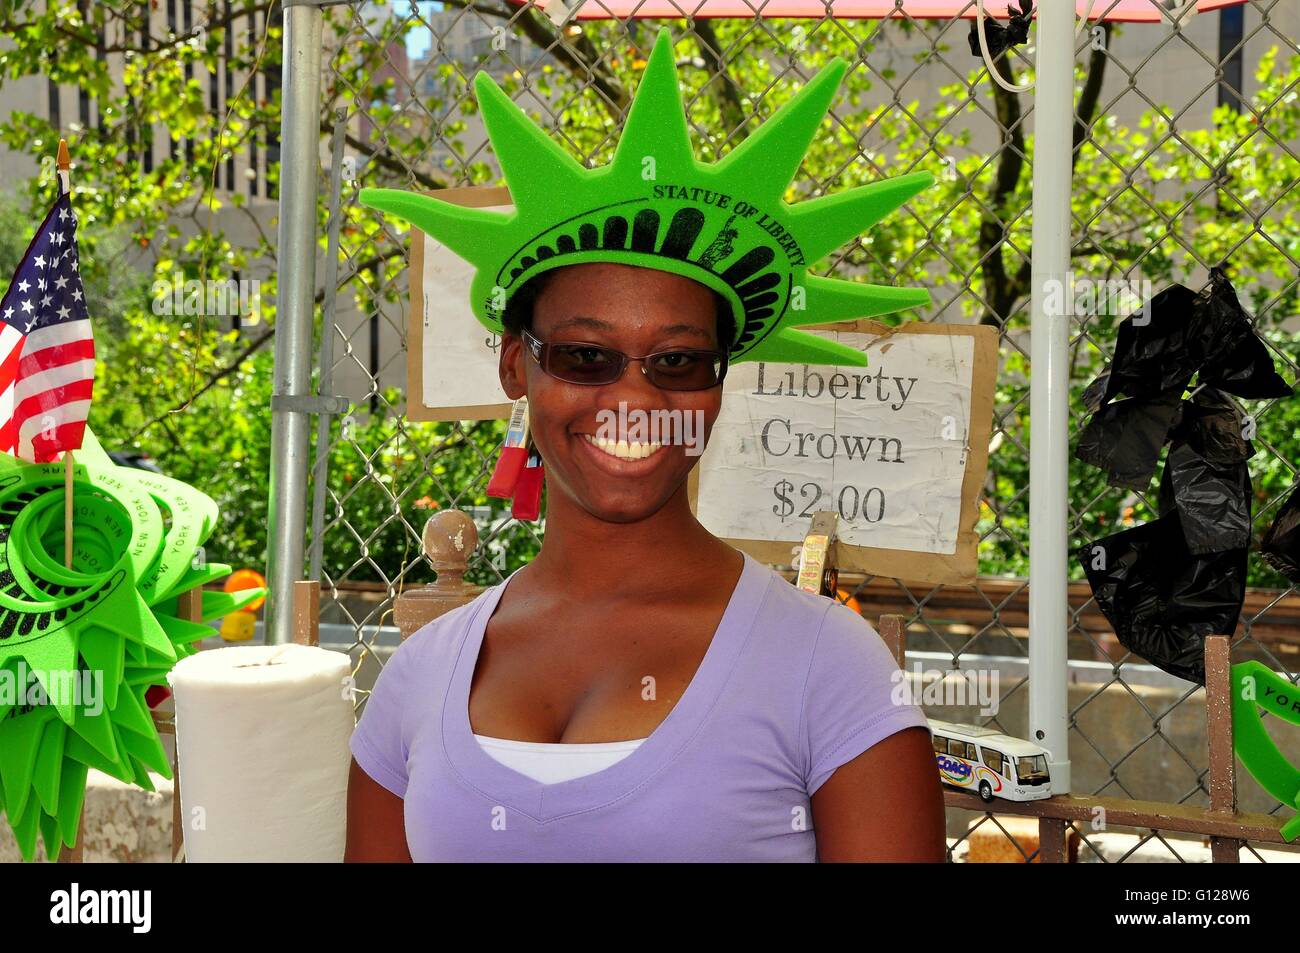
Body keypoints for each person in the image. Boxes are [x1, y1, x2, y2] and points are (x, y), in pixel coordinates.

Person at [344, 27, 945, 862]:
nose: (634, 397)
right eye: (586, 356)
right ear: (519, 366)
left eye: (678, 360)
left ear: (719, 382)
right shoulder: (421, 676)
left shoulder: (826, 666)